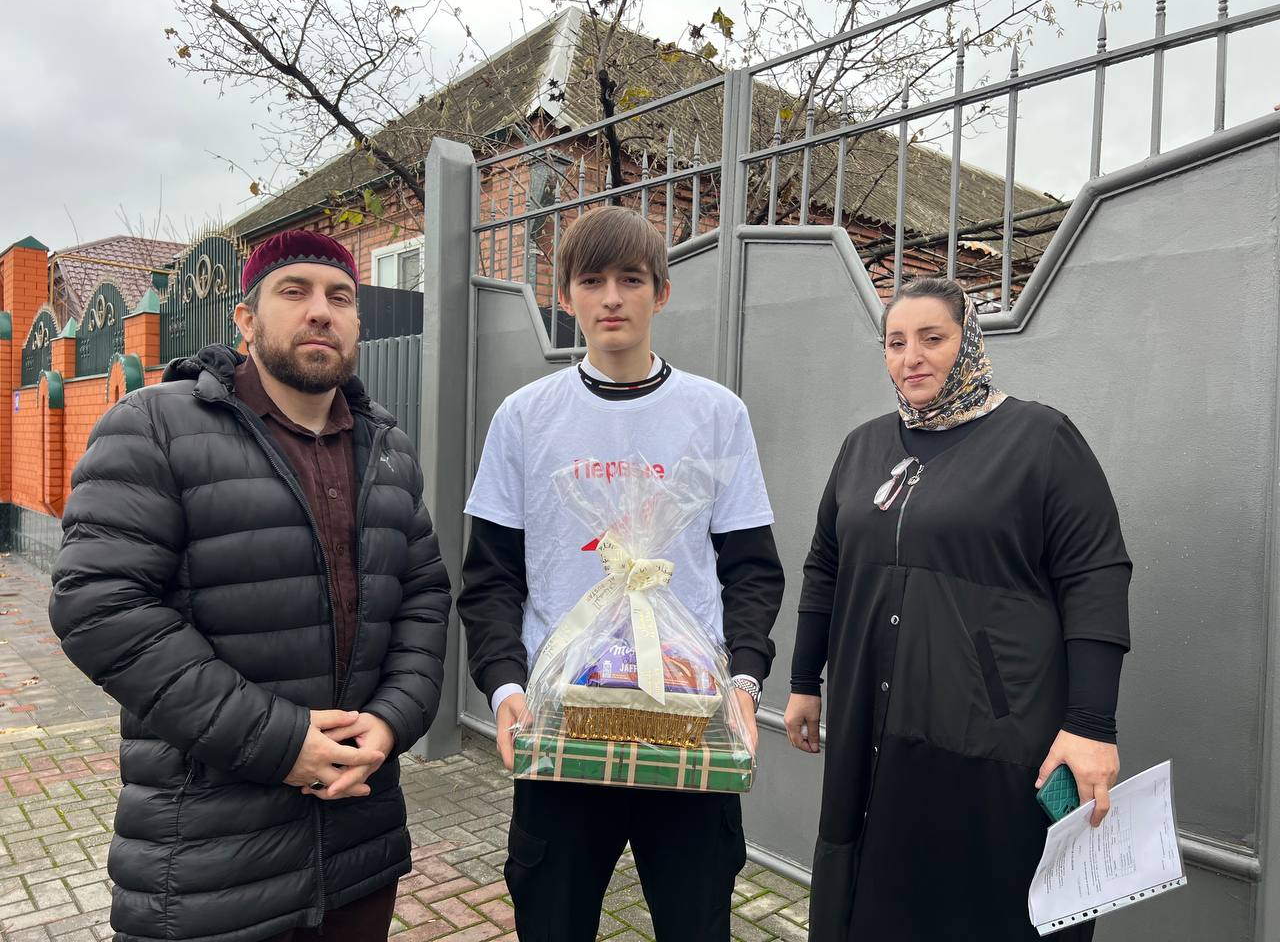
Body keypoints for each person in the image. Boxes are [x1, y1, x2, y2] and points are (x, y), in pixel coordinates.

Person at [49, 230, 452, 942]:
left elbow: (423, 592)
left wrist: (393, 720)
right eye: (294, 292)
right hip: (208, 860)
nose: (320, 311)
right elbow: (99, 605)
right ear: (245, 320)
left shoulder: (387, 446)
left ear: (357, 323)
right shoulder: (155, 426)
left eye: (340, 297)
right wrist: (281, 742)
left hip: (359, 844)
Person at [458, 205, 785, 942]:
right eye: (592, 280)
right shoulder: (524, 418)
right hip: (563, 720)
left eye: (631, 279)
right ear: (565, 295)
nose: (612, 298)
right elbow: (491, 577)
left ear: (661, 293)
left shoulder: (716, 415)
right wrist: (506, 686)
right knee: (553, 917)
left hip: (689, 719)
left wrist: (743, 679)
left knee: (697, 919)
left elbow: (752, 570)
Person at [784, 277, 1131, 941]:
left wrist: (1091, 724)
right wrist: (805, 680)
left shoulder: (1040, 440)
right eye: (895, 343)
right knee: (873, 890)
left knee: (981, 897)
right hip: (869, 721)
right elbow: (824, 566)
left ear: (968, 342)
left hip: (991, 734)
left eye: (932, 338)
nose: (911, 356)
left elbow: (1096, 576)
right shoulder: (862, 447)